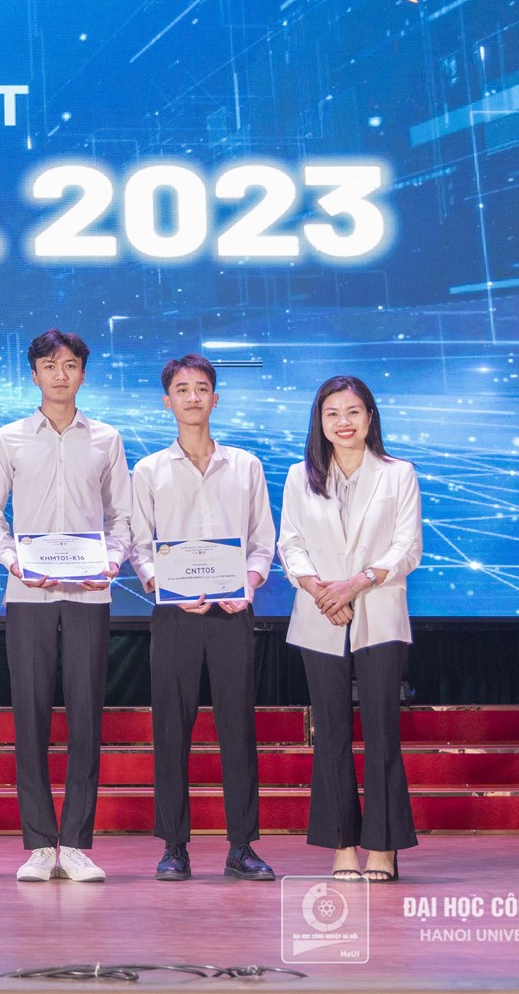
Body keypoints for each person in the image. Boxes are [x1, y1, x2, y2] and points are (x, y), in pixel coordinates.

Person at [0, 329, 131, 884]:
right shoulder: (9, 439)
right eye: (49, 365)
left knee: (86, 716)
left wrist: (111, 562)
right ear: (34, 375)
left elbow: (122, 517)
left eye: (70, 365)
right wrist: (13, 561)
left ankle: (78, 843)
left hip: (91, 593)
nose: (60, 374)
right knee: (31, 716)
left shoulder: (106, 439)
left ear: (83, 374)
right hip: (29, 593)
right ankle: (41, 844)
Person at [128, 354, 276, 883]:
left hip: (233, 612)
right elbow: (139, 544)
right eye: (182, 389)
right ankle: (174, 846)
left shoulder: (246, 466)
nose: (192, 397)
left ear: (216, 398)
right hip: (175, 614)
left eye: (201, 388)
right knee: (171, 729)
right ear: (166, 401)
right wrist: (161, 584)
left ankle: (242, 847)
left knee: (238, 727)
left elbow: (262, 541)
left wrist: (249, 584)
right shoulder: (148, 470)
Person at [277, 374, 423, 884]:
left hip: (378, 610)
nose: (344, 422)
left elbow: (407, 547)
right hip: (320, 613)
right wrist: (321, 590)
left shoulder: (398, 473)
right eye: (332, 413)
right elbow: (290, 544)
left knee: (382, 732)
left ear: (370, 417)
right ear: (319, 421)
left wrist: (356, 584)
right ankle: (342, 844)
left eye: (353, 412)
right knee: (331, 734)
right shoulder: (299, 476)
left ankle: (382, 846)